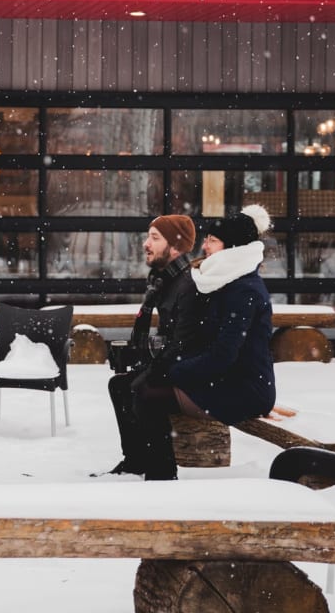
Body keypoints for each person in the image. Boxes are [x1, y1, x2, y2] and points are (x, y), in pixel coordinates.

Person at [121, 204, 276, 481]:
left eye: (212, 241)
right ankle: (141, 464)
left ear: (233, 248)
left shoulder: (244, 291)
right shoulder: (221, 281)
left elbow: (223, 355)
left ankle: (161, 476)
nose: (204, 246)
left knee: (149, 394)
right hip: (225, 378)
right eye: (206, 239)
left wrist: (173, 371)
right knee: (140, 385)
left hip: (243, 389)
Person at [96, 214, 201, 477]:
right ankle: (136, 461)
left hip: (193, 371)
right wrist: (137, 353)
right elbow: (167, 335)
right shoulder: (165, 281)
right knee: (120, 386)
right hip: (177, 362)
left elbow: (184, 342)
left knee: (143, 390)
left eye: (155, 238)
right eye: (148, 236)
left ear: (176, 246)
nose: (146, 243)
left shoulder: (187, 285)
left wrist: (152, 369)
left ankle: (161, 472)